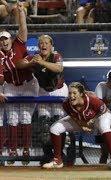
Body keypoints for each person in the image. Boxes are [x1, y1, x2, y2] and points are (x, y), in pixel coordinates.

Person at [42, 82, 111, 168]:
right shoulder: (66, 104)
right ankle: (57, 161)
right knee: (54, 128)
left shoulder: (92, 99)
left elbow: (103, 110)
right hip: (82, 120)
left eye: (74, 93)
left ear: (81, 94)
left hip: (100, 116)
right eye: (70, 93)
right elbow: (74, 117)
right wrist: (83, 125)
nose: (71, 96)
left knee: (104, 127)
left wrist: (92, 120)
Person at [0, 2, 39, 165]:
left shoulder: (18, 43)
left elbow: (23, 29)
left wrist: (22, 12)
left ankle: (26, 148)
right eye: (1, 40)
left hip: (28, 84)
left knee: (25, 117)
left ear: (11, 39)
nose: (4, 42)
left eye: (6, 39)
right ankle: (12, 149)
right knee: (13, 119)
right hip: (10, 86)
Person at [24, 34, 68, 165]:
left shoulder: (56, 56)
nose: (43, 45)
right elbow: (19, 64)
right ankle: (48, 154)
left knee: (58, 123)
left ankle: (60, 154)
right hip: (43, 91)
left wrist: (41, 62)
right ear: (38, 46)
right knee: (43, 125)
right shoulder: (34, 57)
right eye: (41, 43)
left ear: (51, 46)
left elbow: (59, 68)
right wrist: (30, 62)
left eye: (46, 43)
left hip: (58, 91)